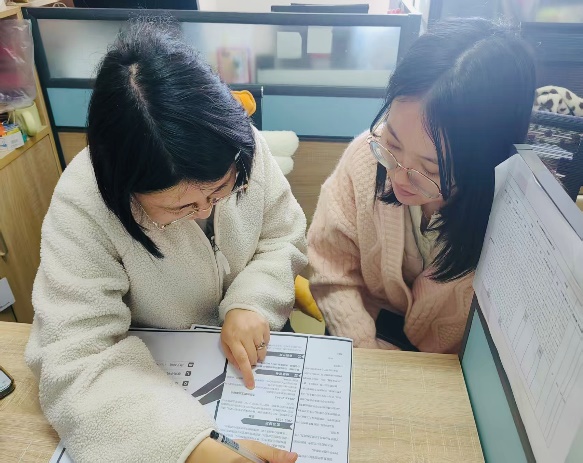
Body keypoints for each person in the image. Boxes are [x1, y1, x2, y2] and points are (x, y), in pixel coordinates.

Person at [25, 20, 306, 463]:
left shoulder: (239, 145)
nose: (207, 212)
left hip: (256, 361)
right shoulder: (84, 201)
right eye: (180, 206)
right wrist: (187, 448)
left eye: (221, 190)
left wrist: (252, 302)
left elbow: (283, 234)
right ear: (125, 187)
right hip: (154, 384)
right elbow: (75, 359)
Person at [308, 18, 535, 353]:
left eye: (430, 169)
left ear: (486, 164)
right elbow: (330, 266)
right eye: (393, 143)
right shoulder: (366, 158)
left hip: (445, 367)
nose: (399, 177)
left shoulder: (513, 222)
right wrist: (364, 347)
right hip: (360, 340)